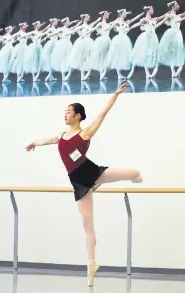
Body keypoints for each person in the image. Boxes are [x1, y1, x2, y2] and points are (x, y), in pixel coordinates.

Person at [25, 82, 142, 287]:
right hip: (79, 183)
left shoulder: (85, 133)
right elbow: (48, 139)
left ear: (77, 115)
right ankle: (91, 266)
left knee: (133, 173)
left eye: (68, 112)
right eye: (65, 112)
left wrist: (115, 94)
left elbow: (102, 114)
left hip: (92, 173)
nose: (65, 114)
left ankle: (137, 176)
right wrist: (34, 142)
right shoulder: (62, 136)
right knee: (88, 226)